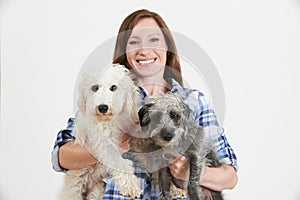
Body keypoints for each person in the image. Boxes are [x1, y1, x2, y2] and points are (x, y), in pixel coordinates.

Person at [51, 9, 238, 199]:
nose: (144, 50)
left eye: (154, 40)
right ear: (125, 50)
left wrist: (190, 173)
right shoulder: (108, 94)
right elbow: (60, 157)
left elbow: (230, 177)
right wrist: (109, 147)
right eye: (134, 42)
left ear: (167, 46)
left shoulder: (194, 101)